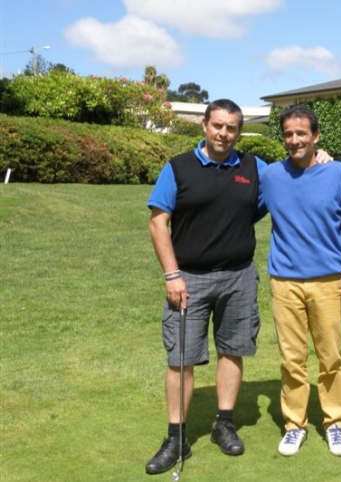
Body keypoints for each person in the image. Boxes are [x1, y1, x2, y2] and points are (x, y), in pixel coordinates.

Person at [144, 99, 266, 475]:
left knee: (233, 350)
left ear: (239, 131)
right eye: (217, 126)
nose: (223, 134)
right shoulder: (177, 167)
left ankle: (223, 424)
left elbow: (286, 184)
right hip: (188, 279)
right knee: (181, 358)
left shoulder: (253, 167)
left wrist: (321, 156)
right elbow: (158, 222)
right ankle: (176, 437)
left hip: (239, 276)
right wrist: (171, 274)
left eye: (231, 128)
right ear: (204, 125)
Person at [258, 105, 341, 457]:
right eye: (288, 134)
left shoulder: (338, 173)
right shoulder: (270, 175)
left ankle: (335, 422)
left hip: (329, 280)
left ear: (316, 136)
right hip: (285, 282)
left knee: (330, 357)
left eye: (301, 133)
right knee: (291, 359)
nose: (294, 140)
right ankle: (294, 424)